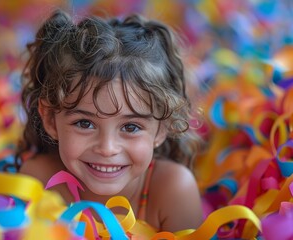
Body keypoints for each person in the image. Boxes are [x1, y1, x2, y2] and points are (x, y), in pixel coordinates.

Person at [16, 8, 203, 234]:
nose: (107, 148)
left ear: (161, 129)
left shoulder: (173, 191)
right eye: (85, 123)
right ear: (51, 120)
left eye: (130, 127)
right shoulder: (40, 182)